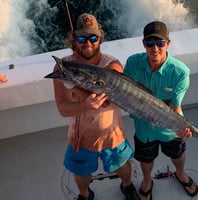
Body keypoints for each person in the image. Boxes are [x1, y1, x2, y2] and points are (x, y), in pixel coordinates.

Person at [52, 13, 139, 200]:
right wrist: (84, 104)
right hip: (80, 138)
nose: (88, 43)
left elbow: (107, 101)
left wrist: (74, 86)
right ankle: (85, 194)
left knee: (123, 167)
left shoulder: (112, 64)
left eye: (93, 37)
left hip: (112, 133)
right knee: (81, 174)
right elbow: (63, 108)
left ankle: (127, 185)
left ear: (100, 37)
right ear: (74, 39)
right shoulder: (63, 69)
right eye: (82, 38)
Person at [123, 21, 198, 199]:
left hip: (169, 127)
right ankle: (147, 181)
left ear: (168, 44)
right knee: (146, 159)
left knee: (177, 153)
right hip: (144, 127)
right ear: (144, 44)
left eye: (160, 43)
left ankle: (180, 174)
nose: (154, 48)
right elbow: (125, 93)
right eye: (149, 43)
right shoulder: (133, 63)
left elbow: (175, 106)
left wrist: (183, 129)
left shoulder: (180, 72)